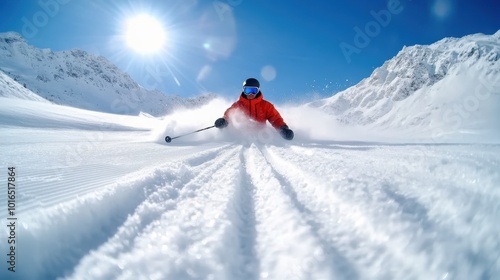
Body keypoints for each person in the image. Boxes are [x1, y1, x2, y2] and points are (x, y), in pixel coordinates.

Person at [214, 78, 294, 140]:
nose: (251, 94)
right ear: (244, 91)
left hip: (262, 136)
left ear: (258, 91)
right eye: (248, 90)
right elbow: (229, 115)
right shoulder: (238, 105)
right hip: (243, 136)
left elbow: (276, 119)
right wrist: (224, 120)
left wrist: (283, 129)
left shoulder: (266, 105)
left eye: (254, 90)